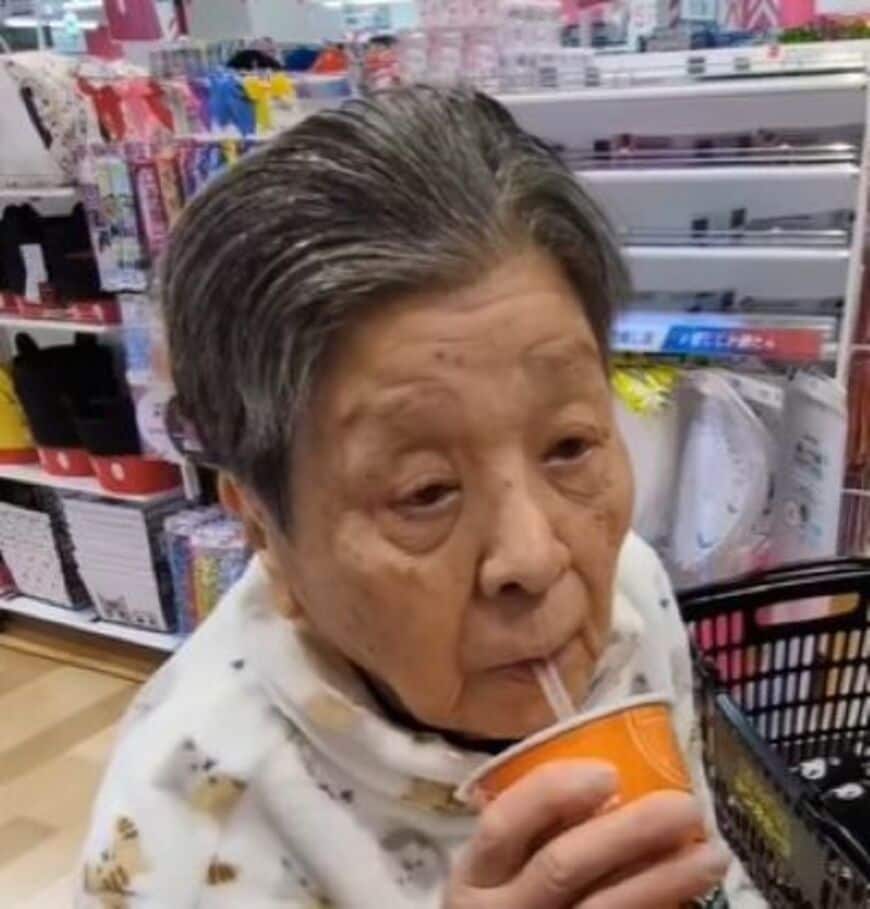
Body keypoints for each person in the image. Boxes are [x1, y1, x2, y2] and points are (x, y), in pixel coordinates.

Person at [77, 86, 757, 908]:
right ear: (263, 528)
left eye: (571, 445)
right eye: (426, 491)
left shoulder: (631, 599)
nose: (536, 557)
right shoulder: (187, 837)